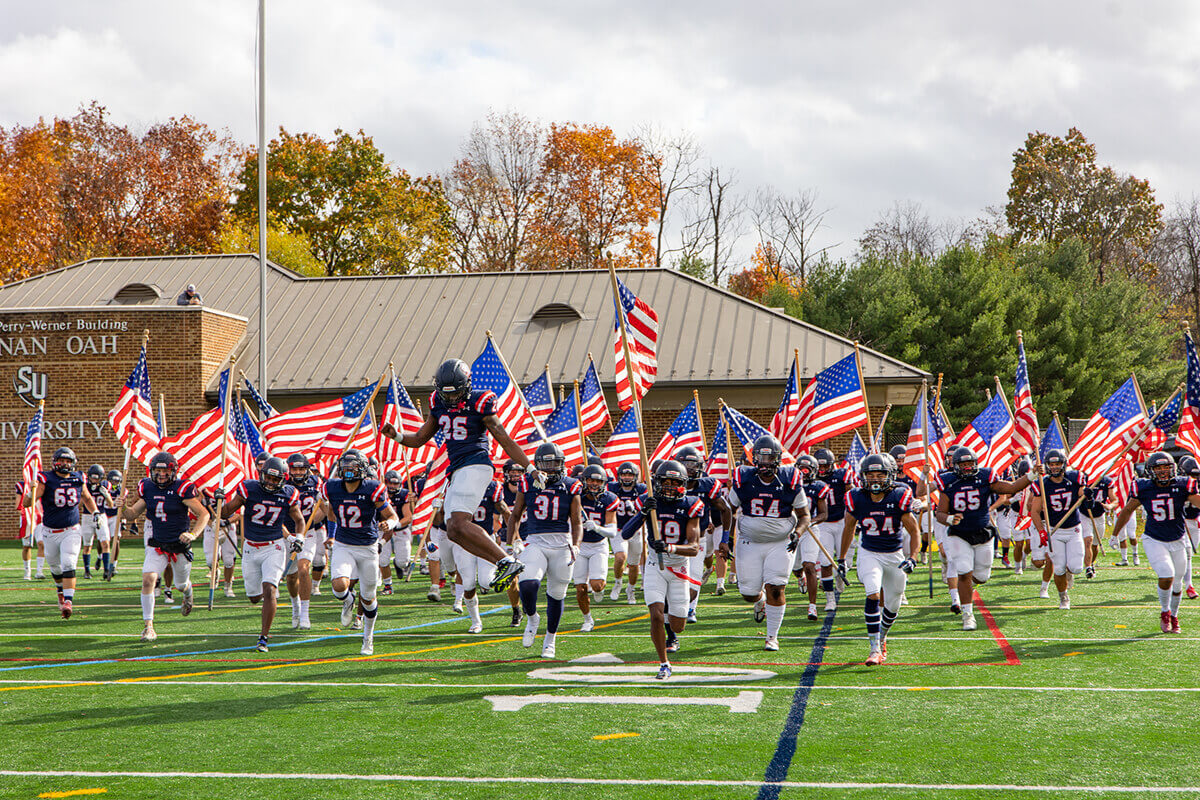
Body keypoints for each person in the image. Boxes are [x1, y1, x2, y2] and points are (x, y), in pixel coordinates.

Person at [380, 359, 536, 595]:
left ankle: (507, 560)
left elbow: (505, 439)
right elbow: (421, 438)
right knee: (452, 529)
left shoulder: (480, 402)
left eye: (456, 394)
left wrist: (530, 468)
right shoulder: (436, 402)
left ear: (468, 385)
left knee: (460, 522)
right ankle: (503, 563)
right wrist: (398, 436)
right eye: (447, 394)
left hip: (476, 465)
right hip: (457, 469)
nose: (452, 400)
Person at [722, 436, 811, 651]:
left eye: (769, 457)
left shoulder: (790, 479)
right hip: (749, 542)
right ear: (754, 459)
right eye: (760, 457)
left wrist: (798, 533)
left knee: (776, 588)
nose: (764, 462)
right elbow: (729, 510)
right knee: (748, 594)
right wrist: (726, 539)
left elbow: (805, 516)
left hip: (781, 542)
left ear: (778, 459)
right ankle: (759, 601)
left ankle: (772, 637)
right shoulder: (743, 478)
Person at [936, 446, 1038, 631]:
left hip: (983, 532)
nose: (967, 467)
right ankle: (968, 615)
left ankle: (964, 585)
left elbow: (1012, 487)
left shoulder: (984, 477)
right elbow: (940, 513)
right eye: (963, 464)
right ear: (956, 466)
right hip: (959, 534)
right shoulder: (948, 481)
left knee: (982, 577)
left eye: (970, 464)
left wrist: (1031, 476)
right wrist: (950, 518)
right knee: (964, 572)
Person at [308, 449, 399, 655]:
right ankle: (348, 601)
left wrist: (389, 523)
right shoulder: (331, 486)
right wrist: (330, 531)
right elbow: (329, 511)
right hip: (344, 544)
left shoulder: (372, 488)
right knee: (339, 586)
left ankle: (368, 638)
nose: (348, 470)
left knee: (368, 597)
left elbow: (392, 515)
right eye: (345, 466)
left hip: (368, 547)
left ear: (363, 469)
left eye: (353, 466)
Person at [622, 460, 705, 680]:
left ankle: (676, 613)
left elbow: (695, 548)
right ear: (656, 482)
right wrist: (643, 513)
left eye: (674, 482)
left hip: (679, 566)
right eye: (665, 481)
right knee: (656, 616)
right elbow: (625, 534)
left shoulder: (691, 504)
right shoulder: (648, 501)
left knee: (678, 624)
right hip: (654, 565)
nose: (668, 486)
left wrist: (670, 547)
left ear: (683, 484)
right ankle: (664, 663)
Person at [216, 456, 305, 652]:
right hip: (250, 547)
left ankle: (263, 637)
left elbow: (299, 520)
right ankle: (267, 600)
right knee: (255, 597)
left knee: (269, 590)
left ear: (283, 479)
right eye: (269, 478)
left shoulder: (289, 494)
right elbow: (225, 512)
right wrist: (218, 500)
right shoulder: (249, 489)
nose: (271, 483)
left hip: (274, 546)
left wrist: (299, 537)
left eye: (276, 480)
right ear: (261, 475)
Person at [840, 453, 920, 665]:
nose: (875, 479)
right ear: (863, 476)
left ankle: (882, 637)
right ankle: (874, 647)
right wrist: (841, 559)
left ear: (890, 475)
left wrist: (913, 557)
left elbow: (914, 531)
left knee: (892, 606)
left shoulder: (899, 496)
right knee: (873, 593)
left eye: (880, 474)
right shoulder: (857, 497)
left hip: (894, 555)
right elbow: (848, 528)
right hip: (869, 553)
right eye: (870, 474)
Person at [120, 451, 209, 640]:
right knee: (148, 579)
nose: (162, 475)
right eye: (158, 471)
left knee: (181, 584)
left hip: (179, 544)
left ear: (173, 471)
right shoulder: (147, 487)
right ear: (152, 471)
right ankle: (148, 626)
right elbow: (131, 515)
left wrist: (192, 534)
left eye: (166, 471)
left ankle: (188, 592)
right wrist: (121, 506)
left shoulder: (182, 488)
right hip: (158, 543)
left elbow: (204, 514)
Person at [506, 442, 583, 659]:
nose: (549, 469)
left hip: (562, 543)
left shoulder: (571, 485)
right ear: (537, 465)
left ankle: (550, 639)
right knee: (528, 584)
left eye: (554, 463)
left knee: (556, 595)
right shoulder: (527, 483)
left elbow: (576, 521)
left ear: (562, 464)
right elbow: (515, 515)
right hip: (535, 541)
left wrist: (576, 545)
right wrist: (515, 539)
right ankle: (532, 618)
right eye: (545, 464)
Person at [1111, 452, 1200, 633]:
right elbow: (1128, 509)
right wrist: (1115, 534)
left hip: (1178, 539)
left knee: (1177, 583)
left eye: (1166, 467)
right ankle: (1165, 612)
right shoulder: (1143, 487)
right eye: (1158, 467)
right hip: (1154, 539)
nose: (1162, 471)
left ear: (1172, 468)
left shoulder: (1183, 485)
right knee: (1167, 575)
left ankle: (1174, 615)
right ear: (1150, 470)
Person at [24, 447, 100, 619]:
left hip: (71, 529)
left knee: (69, 562)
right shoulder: (46, 479)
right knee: (54, 566)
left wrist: (95, 512)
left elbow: (87, 498)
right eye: (62, 460)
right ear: (55, 462)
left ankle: (68, 601)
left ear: (73, 463)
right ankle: (60, 589)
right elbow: (28, 503)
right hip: (50, 531)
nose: (65, 464)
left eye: (68, 461)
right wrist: (30, 491)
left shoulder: (78, 478)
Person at [674, 445, 731, 623]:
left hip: (698, 538)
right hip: (674, 539)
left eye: (695, 464)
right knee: (675, 579)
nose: (691, 468)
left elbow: (726, 510)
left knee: (694, 578)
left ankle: (691, 609)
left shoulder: (707, 484)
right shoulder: (670, 484)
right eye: (688, 464)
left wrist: (725, 538)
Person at [1028, 449, 1086, 610]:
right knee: (1058, 567)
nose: (1054, 467)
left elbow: (1083, 495)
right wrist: (1041, 531)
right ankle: (1063, 597)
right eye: (1051, 464)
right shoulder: (1042, 484)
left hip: (1073, 528)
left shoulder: (1073, 478)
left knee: (1076, 567)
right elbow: (1034, 511)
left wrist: (1088, 494)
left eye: (1057, 464)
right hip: (1055, 530)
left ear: (1063, 464)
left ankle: (1070, 573)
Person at [455, 478, 507, 630]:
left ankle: (501, 572)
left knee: (485, 582)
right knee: (468, 584)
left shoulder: (492, 487)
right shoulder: (458, 484)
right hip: (465, 541)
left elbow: (505, 511)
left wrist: (512, 537)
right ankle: (476, 621)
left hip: (486, 539)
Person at [574, 464, 619, 632]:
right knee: (580, 587)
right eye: (591, 480)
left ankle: (598, 590)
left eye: (598, 481)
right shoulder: (577, 496)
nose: (594, 484)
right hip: (580, 544)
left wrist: (597, 528)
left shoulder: (609, 499)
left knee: (597, 585)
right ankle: (587, 619)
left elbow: (613, 532)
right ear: (584, 481)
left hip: (598, 544)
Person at [812, 448, 853, 613]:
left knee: (846, 561)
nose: (821, 471)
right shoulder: (810, 478)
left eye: (825, 466)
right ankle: (830, 599)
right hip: (823, 523)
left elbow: (852, 496)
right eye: (819, 467)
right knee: (825, 561)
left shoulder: (842, 475)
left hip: (843, 521)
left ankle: (840, 574)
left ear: (832, 465)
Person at [793, 453, 831, 621]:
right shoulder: (790, 484)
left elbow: (824, 514)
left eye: (808, 469)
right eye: (801, 468)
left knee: (809, 565)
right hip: (791, 529)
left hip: (810, 530)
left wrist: (810, 521)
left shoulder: (818, 487)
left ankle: (812, 606)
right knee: (796, 568)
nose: (804, 472)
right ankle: (799, 577)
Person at [609, 462, 647, 604]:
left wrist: (638, 508)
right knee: (620, 557)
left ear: (635, 476)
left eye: (630, 474)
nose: (626, 477)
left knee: (634, 564)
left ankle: (630, 590)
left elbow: (649, 506)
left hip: (636, 530)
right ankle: (618, 583)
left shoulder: (641, 489)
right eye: (624, 474)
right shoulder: (612, 488)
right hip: (618, 530)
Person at [498, 460, 526, 626]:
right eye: (512, 472)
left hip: (530, 537)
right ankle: (516, 609)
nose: (515, 475)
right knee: (510, 577)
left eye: (518, 472)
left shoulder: (529, 488)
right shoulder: (500, 491)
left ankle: (530, 607)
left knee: (528, 579)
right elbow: (496, 519)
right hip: (507, 537)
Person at [201, 488, 238, 598]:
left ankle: (228, 585)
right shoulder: (204, 492)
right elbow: (200, 513)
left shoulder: (232, 489)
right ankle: (215, 571)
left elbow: (238, 515)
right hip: (210, 526)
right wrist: (213, 523)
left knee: (229, 560)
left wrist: (225, 522)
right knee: (210, 559)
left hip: (228, 526)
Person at [79, 464, 111, 580]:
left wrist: (107, 495)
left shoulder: (105, 486)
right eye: (92, 477)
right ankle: (87, 571)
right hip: (87, 517)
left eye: (97, 477)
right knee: (87, 545)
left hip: (101, 516)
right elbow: (80, 505)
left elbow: (111, 505)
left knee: (105, 543)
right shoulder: (85, 486)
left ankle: (107, 570)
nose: (94, 480)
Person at [16, 477, 44, 580]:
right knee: (27, 546)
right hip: (27, 517)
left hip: (40, 517)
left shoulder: (43, 485)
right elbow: (18, 506)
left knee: (41, 543)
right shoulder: (22, 485)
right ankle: (27, 571)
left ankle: (39, 571)